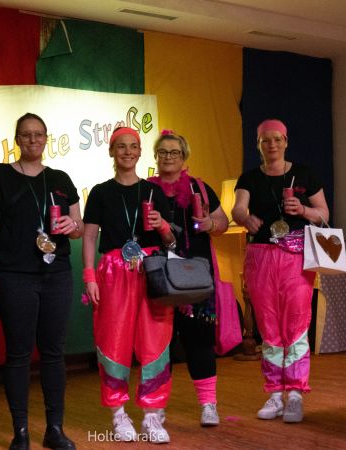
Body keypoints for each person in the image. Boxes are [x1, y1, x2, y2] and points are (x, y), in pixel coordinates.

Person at [0, 112, 82, 450]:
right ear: (17, 139)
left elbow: (78, 226)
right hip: (13, 275)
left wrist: (72, 227)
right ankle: (21, 432)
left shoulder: (60, 178)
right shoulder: (0, 174)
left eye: (39, 134)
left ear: (46, 139)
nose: (33, 139)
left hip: (56, 274)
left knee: (54, 353)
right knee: (18, 354)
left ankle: (55, 430)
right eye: (27, 134)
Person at [231, 119, 329, 424]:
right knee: (268, 326)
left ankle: (296, 394)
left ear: (286, 141)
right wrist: (244, 218)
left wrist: (304, 210)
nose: (271, 145)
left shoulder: (305, 174)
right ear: (258, 145)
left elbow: (324, 214)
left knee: (297, 323)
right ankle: (274, 393)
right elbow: (238, 208)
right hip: (260, 256)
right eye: (265, 140)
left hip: (296, 257)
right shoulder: (249, 178)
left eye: (276, 139)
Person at [82, 127, 176, 444]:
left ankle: (152, 415)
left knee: (156, 343)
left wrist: (162, 226)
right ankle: (118, 414)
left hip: (152, 271)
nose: (127, 151)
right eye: (121, 146)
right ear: (112, 151)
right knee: (113, 342)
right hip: (113, 272)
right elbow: (89, 237)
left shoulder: (153, 191)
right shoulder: (100, 192)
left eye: (133, 146)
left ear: (139, 152)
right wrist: (89, 276)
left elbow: (171, 240)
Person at [146, 130, 229, 426]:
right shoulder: (145, 190)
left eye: (175, 152)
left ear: (184, 158)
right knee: (158, 346)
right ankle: (157, 406)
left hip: (196, 278)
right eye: (163, 152)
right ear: (156, 157)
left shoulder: (200, 188)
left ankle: (208, 405)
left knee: (200, 342)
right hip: (157, 276)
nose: (168, 157)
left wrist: (209, 224)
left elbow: (223, 222)